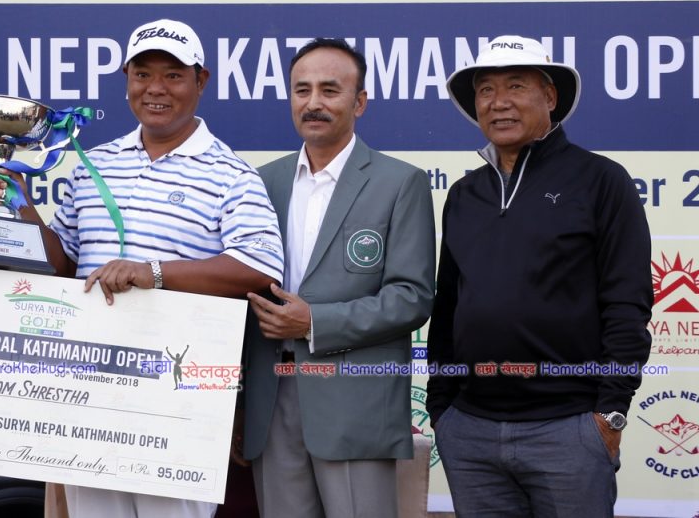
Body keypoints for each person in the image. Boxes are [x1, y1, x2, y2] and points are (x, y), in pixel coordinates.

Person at [0, 19, 283, 518]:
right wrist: (23, 208)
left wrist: (154, 272)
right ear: (126, 80)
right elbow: (64, 263)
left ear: (201, 81)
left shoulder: (232, 173)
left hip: (179, 399)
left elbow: (259, 267)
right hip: (89, 392)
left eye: (173, 75)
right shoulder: (94, 165)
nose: (156, 89)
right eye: (143, 74)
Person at [427, 35, 652, 517]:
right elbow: (447, 306)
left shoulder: (601, 180)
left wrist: (610, 413)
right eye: (485, 90)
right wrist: (441, 410)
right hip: (469, 431)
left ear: (549, 97)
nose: (498, 102)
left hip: (569, 429)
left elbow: (627, 303)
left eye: (516, 86)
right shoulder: (464, 194)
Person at [242, 38, 436, 518]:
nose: (313, 102)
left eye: (330, 90)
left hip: (355, 402)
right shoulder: (260, 183)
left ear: (360, 101)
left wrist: (314, 322)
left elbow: (411, 297)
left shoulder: (400, 182)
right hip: (271, 398)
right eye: (301, 90)